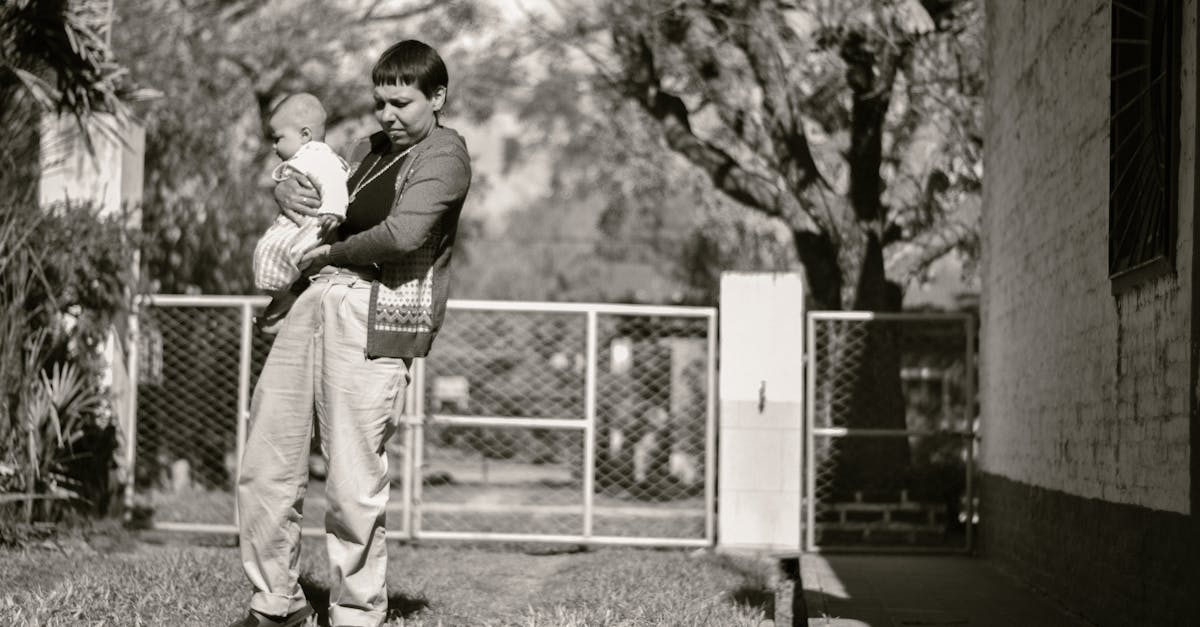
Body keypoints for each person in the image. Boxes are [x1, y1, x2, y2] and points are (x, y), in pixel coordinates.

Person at [229, 40, 471, 627]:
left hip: (375, 312)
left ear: (437, 97)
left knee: (352, 476)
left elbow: (402, 236)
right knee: (267, 461)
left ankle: (359, 612)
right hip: (314, 296)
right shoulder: (365, 150)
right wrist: (280, 187)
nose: (387, 115)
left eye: (402, 102)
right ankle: (277, 603)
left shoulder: (446, 156)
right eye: (380, 102)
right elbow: (310, 184)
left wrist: (327, 253)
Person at [252, 93, 349, 333]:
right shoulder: (307, 157)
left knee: (283, 258)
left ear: (305, 135)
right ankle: (277, 311)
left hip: (312, 228)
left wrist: (333, 211)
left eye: (278, 139)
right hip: (301, 226)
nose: (274, 146)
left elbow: (335, 183)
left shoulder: (320, 156)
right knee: (277, 257)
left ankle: (278, 310)